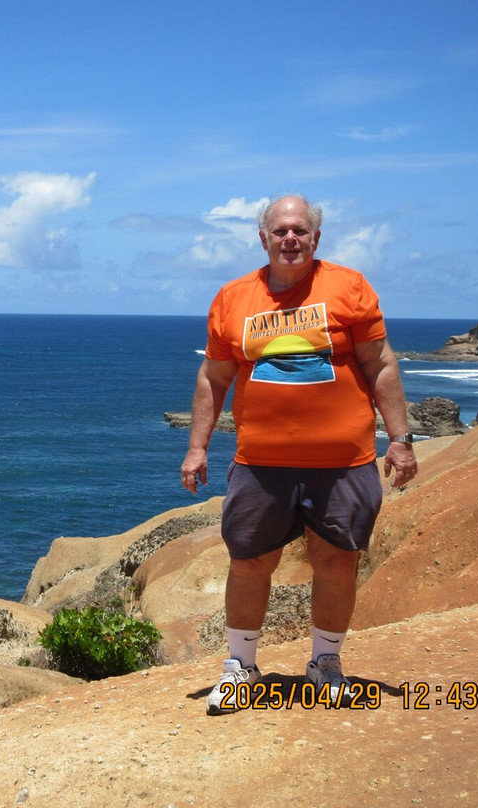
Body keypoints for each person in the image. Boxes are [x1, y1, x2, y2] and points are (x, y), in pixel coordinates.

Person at [180, 194, 417, 715]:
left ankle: (325, 664)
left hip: (344, 462)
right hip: (261, 464)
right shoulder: (232, 298)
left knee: (337, 560)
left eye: (301, 231)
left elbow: (379, 363)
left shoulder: (349, 287)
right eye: (281, 230)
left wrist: (400, 438)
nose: (291, 238)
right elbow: (214, 377)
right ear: (263, 237)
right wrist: (197, 447)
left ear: (316, 237)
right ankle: (241, 669)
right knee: (249, 560)